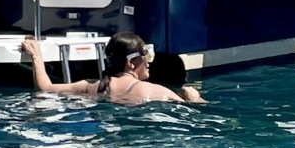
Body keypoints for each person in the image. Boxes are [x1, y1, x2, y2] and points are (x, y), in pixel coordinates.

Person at [21, 32, 186, 104]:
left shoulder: (92, 87)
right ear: (130, 62)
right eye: (146, 56)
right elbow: (190, 109)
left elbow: (45, 88)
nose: (149, 62)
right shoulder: (152, 91)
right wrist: (193, 98)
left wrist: (36, 56)